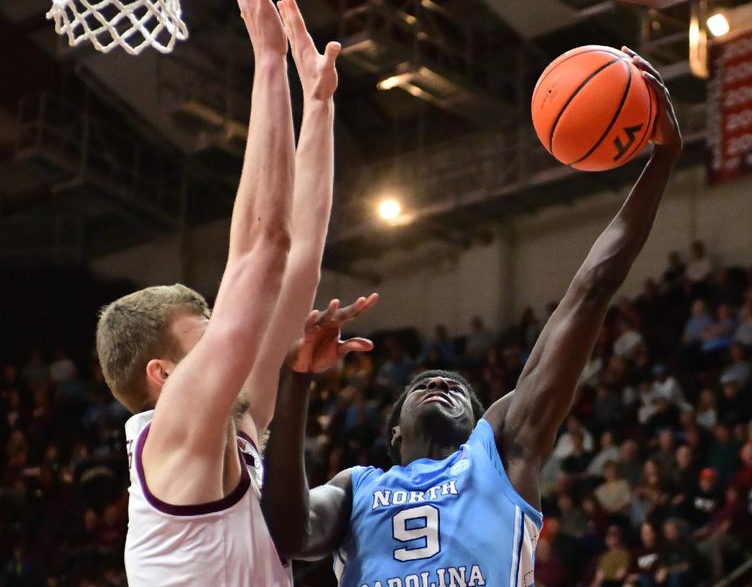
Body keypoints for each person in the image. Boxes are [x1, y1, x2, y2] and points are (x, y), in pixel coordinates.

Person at [263, 50, 683, 586]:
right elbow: (287, 537)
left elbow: (591, 290)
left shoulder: (504, 448)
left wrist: (664, 159)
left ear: (481, 422)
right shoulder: (355, 488)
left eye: (456, 388)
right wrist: (295, 379)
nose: (440, 381)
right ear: (393, 435)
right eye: (422, 386)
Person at [94, 0, 342, 584]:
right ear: (164, 374)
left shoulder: (236, 421)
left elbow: (298, 259)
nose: (231, 343)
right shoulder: (174, 431)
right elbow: (262, 251)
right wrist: (265, 62)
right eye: (204, 340)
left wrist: (318, 104)